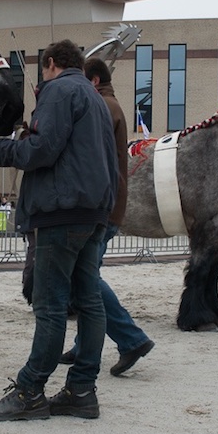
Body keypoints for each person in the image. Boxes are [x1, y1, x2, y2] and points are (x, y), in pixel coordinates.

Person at [0, 39, 118, 421]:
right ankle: (81, 390)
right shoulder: (96, 98)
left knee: (49, 307)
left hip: (59, 212)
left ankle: (30, 391)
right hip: (93, 212)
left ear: (50, 63)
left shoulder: (58, 90)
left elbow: (41, 150)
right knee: (89, 303)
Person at [57, 57, 155, 376]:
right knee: (85, 277)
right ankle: (85, 344)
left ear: (94, 81)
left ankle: (132, 339)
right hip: (108, 204)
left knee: (85, 279)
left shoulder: (102, 107)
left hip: (101, 207)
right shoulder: (108, 105)